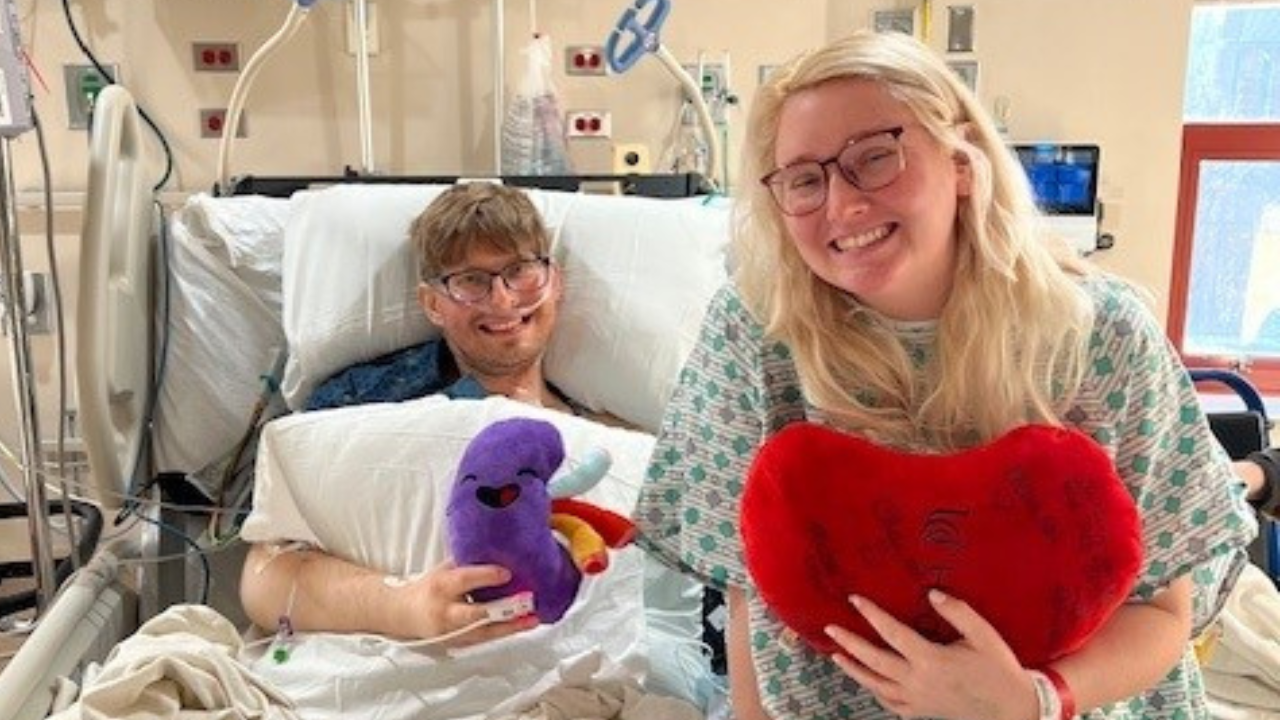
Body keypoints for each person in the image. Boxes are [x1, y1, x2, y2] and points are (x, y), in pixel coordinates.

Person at [634, 29, 1257, 720]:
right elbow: (749, 591)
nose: (842, 205)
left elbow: (1165, 612)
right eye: (805, 179)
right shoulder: (757, 333)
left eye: (875, 157)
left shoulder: (1096, 333)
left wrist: (1032, 699)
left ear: (960, 161)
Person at [240, 181, 575, 647]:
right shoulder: (362, 401)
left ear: (554, 282)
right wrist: (406, 606)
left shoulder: (609, 429)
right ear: (432, 303)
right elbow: (263, 578)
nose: (501, 300)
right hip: (385, 655)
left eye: (519, 271)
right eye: (471, 281)